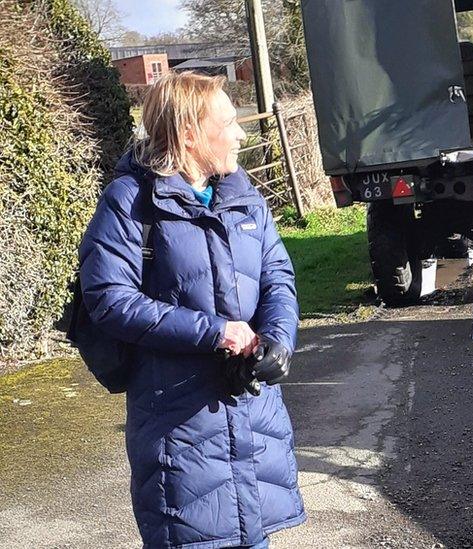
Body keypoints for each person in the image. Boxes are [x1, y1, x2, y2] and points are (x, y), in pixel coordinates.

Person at [78, 72, 305, 547]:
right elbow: (109, 298)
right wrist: (215, 332)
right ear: (188, 134)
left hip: (254, 423)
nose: (241, 132)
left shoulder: (243, 196)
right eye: (229, 121)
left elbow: (278, 278)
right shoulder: (129, 201)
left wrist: (278, 341)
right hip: (180, 435)